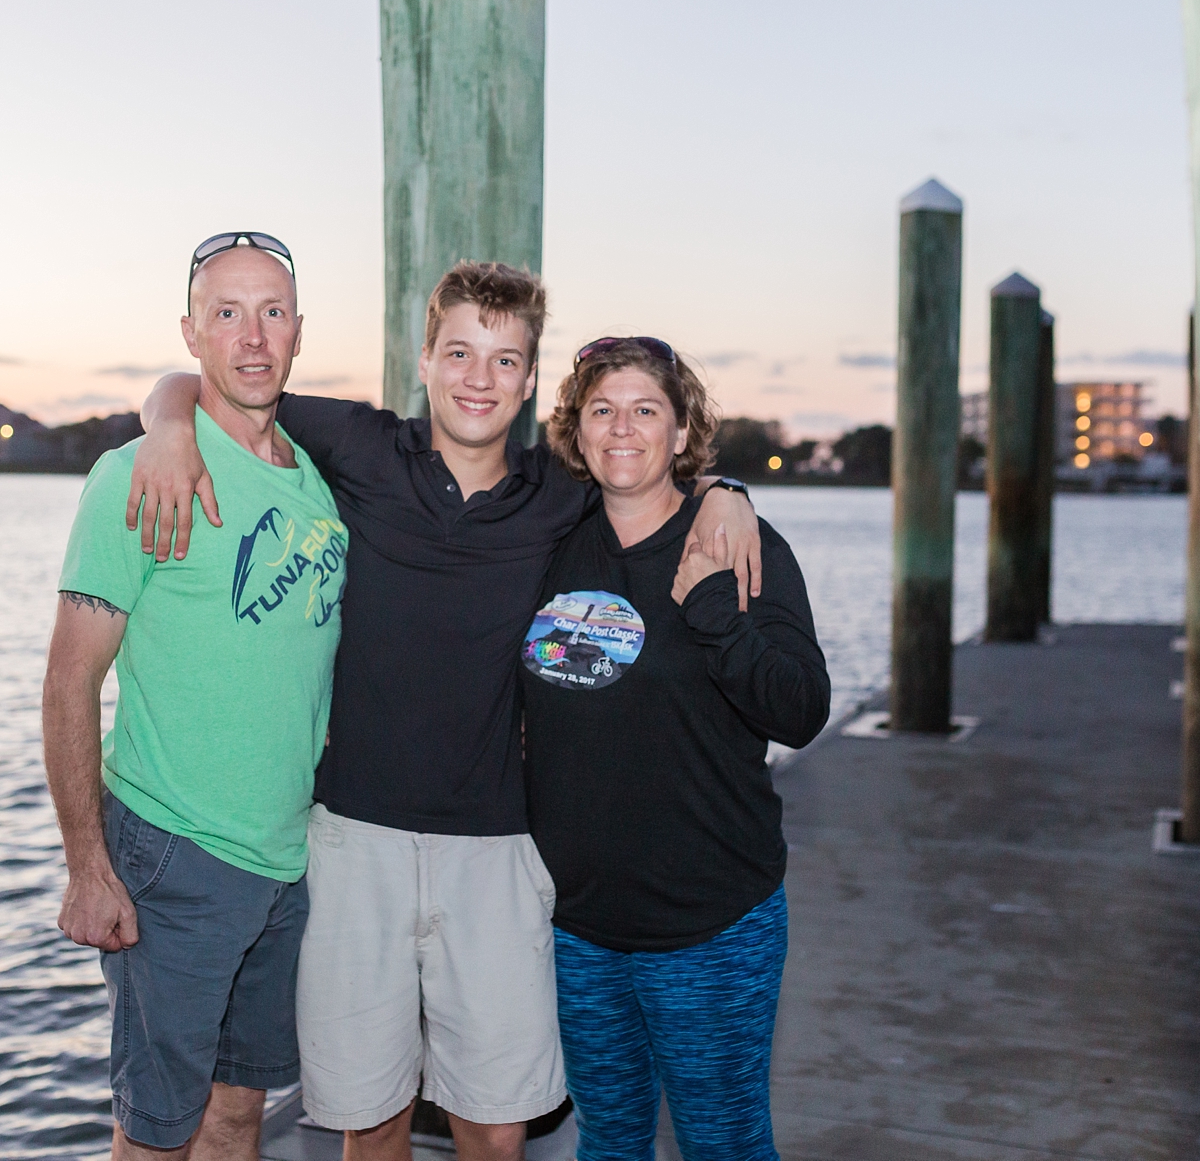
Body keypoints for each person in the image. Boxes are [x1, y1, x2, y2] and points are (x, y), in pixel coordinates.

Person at [124, 262, 765, 1161]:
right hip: (354, 842)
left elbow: (652, 476)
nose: (478, 377)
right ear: (423, 360)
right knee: (370, 1119)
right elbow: (211, 381)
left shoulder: (559, 495)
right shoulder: (359, 446)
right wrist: (163, 424)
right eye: (459, 352)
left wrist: (727, 494)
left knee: (495, 1128)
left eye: (505, 361)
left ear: (532, 380)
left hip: (498, 851)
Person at [41, 232, 348, 1160]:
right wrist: (88, 868)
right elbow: (68, 686)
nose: (252, 337)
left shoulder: (324, 480)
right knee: (155, 1134)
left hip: (286, 861)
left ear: (299, 331)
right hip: (174, 857)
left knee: (239, 1113)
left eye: (272, 312)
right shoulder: (136, 477)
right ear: (190, 332)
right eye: (226, 313)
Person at [520, 336, 830, 1161]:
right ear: (576, 432)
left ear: (683, 427)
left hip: (711, 922)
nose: (623, 429)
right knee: (611, 1141)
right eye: (602, 410)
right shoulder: (550, 540)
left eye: (646, 410)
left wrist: (719, 619)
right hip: (580, 925)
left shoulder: (732, 543)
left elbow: (801, 710)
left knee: (722, 1142)